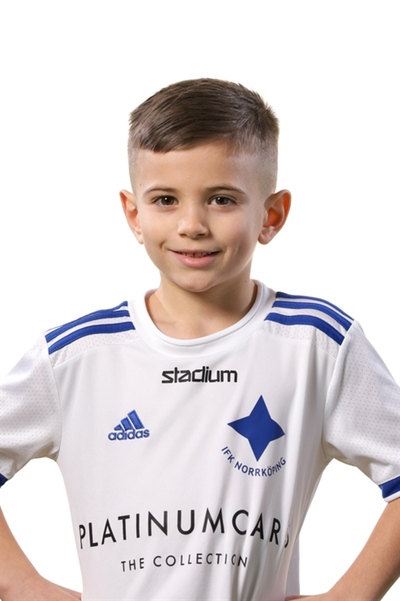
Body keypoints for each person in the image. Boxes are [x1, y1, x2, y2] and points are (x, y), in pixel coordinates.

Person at [0, 78, 399, 601]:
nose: (192, 224)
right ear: (133, 214)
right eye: (165, 199)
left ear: (271, 215)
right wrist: (21, 585)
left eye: (221, 199)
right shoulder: (75, 357)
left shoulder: (316, 344)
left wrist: (350, 595)